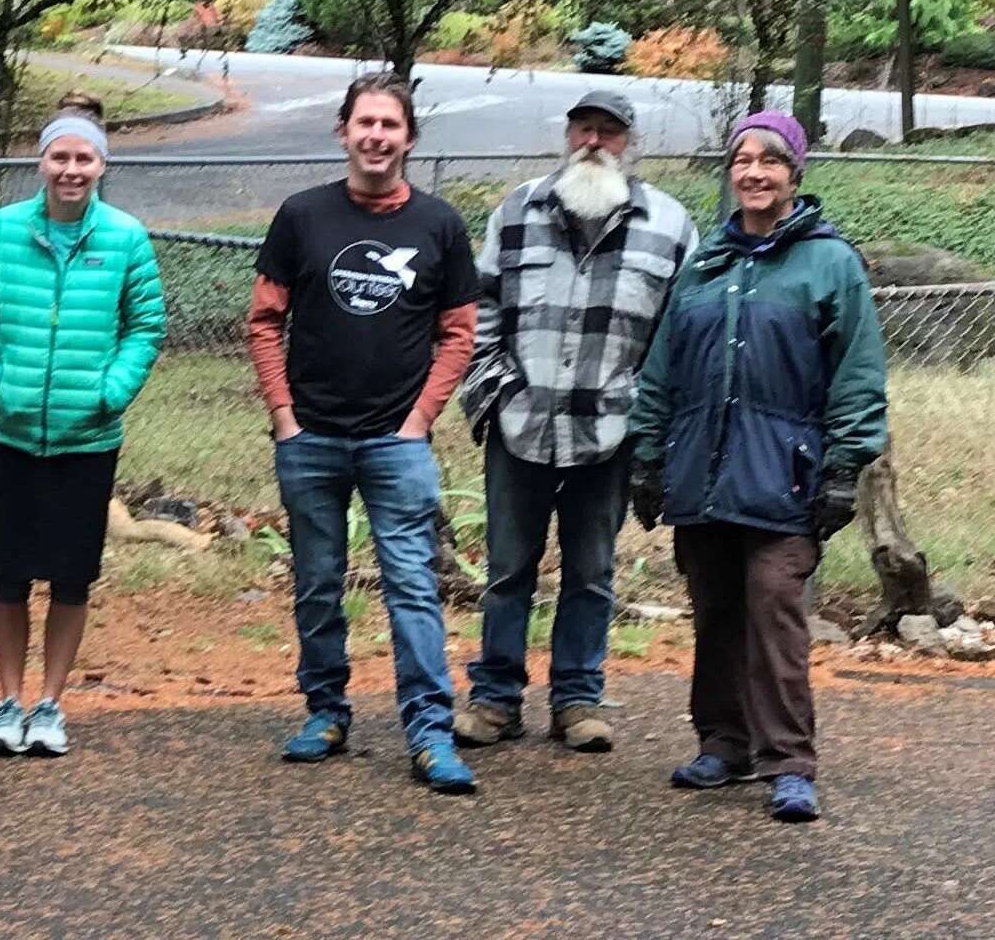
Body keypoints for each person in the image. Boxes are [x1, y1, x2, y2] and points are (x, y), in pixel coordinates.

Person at [627, 110, 888, 824]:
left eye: (769, 160)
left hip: (785, 474)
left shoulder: (829, 264)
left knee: (774, 610)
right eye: (742, 160)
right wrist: (646, 455)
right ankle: (723, 743)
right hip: (702, 469)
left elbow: (857, 373)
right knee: (714, 610)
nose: (753, 172)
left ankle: (789, 762)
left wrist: (844, 467)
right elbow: (661, 368)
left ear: (794, 173)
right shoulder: (704, 264)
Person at [247, 71, 482, 794]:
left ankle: (430, 732)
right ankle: (325, 711)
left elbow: (459, 333)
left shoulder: (438, 225)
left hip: (395, 443)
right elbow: (264, 320)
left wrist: (418, 421)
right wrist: (284, 416)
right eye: (365, 122)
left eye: (390, 124)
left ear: (408, 137)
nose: (376, 136)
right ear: (343, 131)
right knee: (317, 584)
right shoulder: (301, 216)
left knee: (412, 586)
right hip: (310, 439)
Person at [452, 90, 698, 754]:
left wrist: (645, 413)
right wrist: (494, 391)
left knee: (591, 573)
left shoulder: (669, 224)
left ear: (629, 142)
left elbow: (679, 334)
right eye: (583, 128)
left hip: (610, 433)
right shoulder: (516, 210)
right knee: (507, 570)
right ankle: (495, 698)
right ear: (567, 136)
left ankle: (577, 700)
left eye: (607, 132)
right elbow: (479, 307)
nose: (593, 142)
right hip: (521, 423)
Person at [0, 96, 165, 758]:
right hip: (8, 433)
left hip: (85, 439)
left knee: (71, 578)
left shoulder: (125, 237)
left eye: (83, 158)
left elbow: (145, 326)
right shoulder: (2, 231)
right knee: (9, 575)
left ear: (101, 164)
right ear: (41, 162)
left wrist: (110, 392)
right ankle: (8, 703)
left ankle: (49, 705)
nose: (71, 169)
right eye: (59, 156)